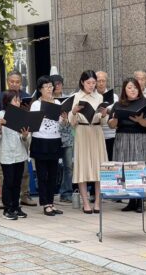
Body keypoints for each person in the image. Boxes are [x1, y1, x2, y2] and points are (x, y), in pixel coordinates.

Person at [108, 78, 146, 213]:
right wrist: (115, 118)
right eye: (129, 87)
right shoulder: (118, 104)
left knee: (139, 168)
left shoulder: (145, 103)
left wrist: (140, 120)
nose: (132, 90)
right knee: (125, 168)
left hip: (140, 138)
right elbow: (111, 125)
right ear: (124, 90)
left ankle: (140, 201)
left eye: (134, 87)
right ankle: (131, 201)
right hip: (122, 138)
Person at [0, 70, 36, 207]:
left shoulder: (26, 98)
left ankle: (21, 198)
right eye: (12, 81)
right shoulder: (0, 101)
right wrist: (0, 127)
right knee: (7, 177)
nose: (14, 84)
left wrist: (25, 135)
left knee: (21, 174)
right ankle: (6, 202)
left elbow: (27, 134)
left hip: (20, 148)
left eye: (17, 82)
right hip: (5, 147)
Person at [69, 70, 108, 214]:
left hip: (97, 132)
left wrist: (103, 115)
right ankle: (85, 202)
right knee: (82, 167)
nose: (91, 86)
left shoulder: (100, 96)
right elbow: (71, 122)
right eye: (88, 83)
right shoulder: (77, 97)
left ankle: (97, 202)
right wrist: (73, 112)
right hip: (82, 132)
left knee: (98, 166)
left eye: (93, 83)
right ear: (82, 82)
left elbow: (104, 122)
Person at [0, 90, 31, 220]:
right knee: (9, 181)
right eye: (15, 100)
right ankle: (7, 208)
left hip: (19, 153)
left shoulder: (22, 115)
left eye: (19, 100)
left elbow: (24, 138)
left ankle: (16, 206)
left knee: (17, 181)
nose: (18, 102)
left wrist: (25, 136)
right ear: (7, 102)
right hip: (6, 154)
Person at [30, 76, 66, 216]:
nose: (50, 89)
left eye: (51, 86)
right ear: (40, 90)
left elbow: (61, 124)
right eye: (46, 87)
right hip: (40, 140)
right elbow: (33, 124)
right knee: (42, 174)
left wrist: (64, 119)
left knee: (53, 174)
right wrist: (43, 115)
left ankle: (51, 202)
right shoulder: (35, 105)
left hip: (55, 140)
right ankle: (45, 203)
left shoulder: (57, 102)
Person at [50, 74, 74, 203]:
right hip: (52, 136)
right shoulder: (47, 100)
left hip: (67, 136)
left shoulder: (68, 99)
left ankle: (66, 192)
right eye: (56, 83)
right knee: (52, 165)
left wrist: (66, 118)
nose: (58, 86)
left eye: (60, 83)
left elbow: (72, 121)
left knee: (68, 166)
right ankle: (51, 192)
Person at [96, 71, 119, 161]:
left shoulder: (114, 96)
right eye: (99, 81)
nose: (101, 84)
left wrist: (107, 111)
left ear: (106, 82)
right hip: (97, 134)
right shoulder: (93, 96)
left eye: (103, 81)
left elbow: (116, 113)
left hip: (111, 133)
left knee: (111, 160)